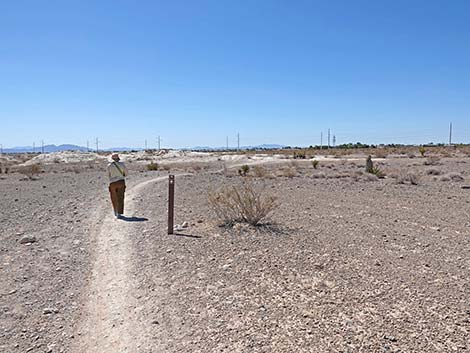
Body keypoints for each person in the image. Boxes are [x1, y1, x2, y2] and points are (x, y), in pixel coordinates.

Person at [107, 153, 128, 219]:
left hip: (112, 183)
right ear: (118, 158)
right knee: (120, 197)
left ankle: (115, 211)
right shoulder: (122, 164)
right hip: (121, 181)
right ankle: (119, 213)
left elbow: (108, 175)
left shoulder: (109, 166)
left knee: (113, 197)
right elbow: (126, 173)